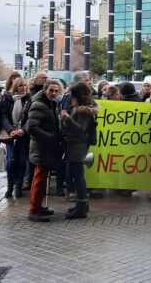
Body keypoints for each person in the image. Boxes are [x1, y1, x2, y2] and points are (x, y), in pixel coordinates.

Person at [26, 79, 63, 222]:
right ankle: (34, 210)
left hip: (47, 147)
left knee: (42, 179)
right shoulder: (39, 105)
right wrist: (51, 137)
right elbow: (31, 128)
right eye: (51, 90)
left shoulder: (51, 104)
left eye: (56, 91)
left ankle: (38, 206)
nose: (54, 93)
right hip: (41, 148)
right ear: (45, 90)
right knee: (39, 180)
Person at [61, 82, 99, 218]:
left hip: (77, 145)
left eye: (73, 95)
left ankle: (81, 207)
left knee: (78, 176)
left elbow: (81, 129)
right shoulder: (85, 107)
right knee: (77, 175)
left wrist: (68, 119)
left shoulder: (82, 110)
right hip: (78, 144)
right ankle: (82, 204)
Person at [4, 77, 29, 198]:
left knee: (22, 161)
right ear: (16, 86)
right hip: (11, 135)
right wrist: (11, 130)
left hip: (23, 135)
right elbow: (3, 116)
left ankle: (18, 185)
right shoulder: (8, 99)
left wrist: (22, 130)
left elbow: (31, 118)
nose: (23, 88)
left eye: (25, 85)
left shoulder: (29, 99)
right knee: (10, 162)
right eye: (21, 86)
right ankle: (10, 186)